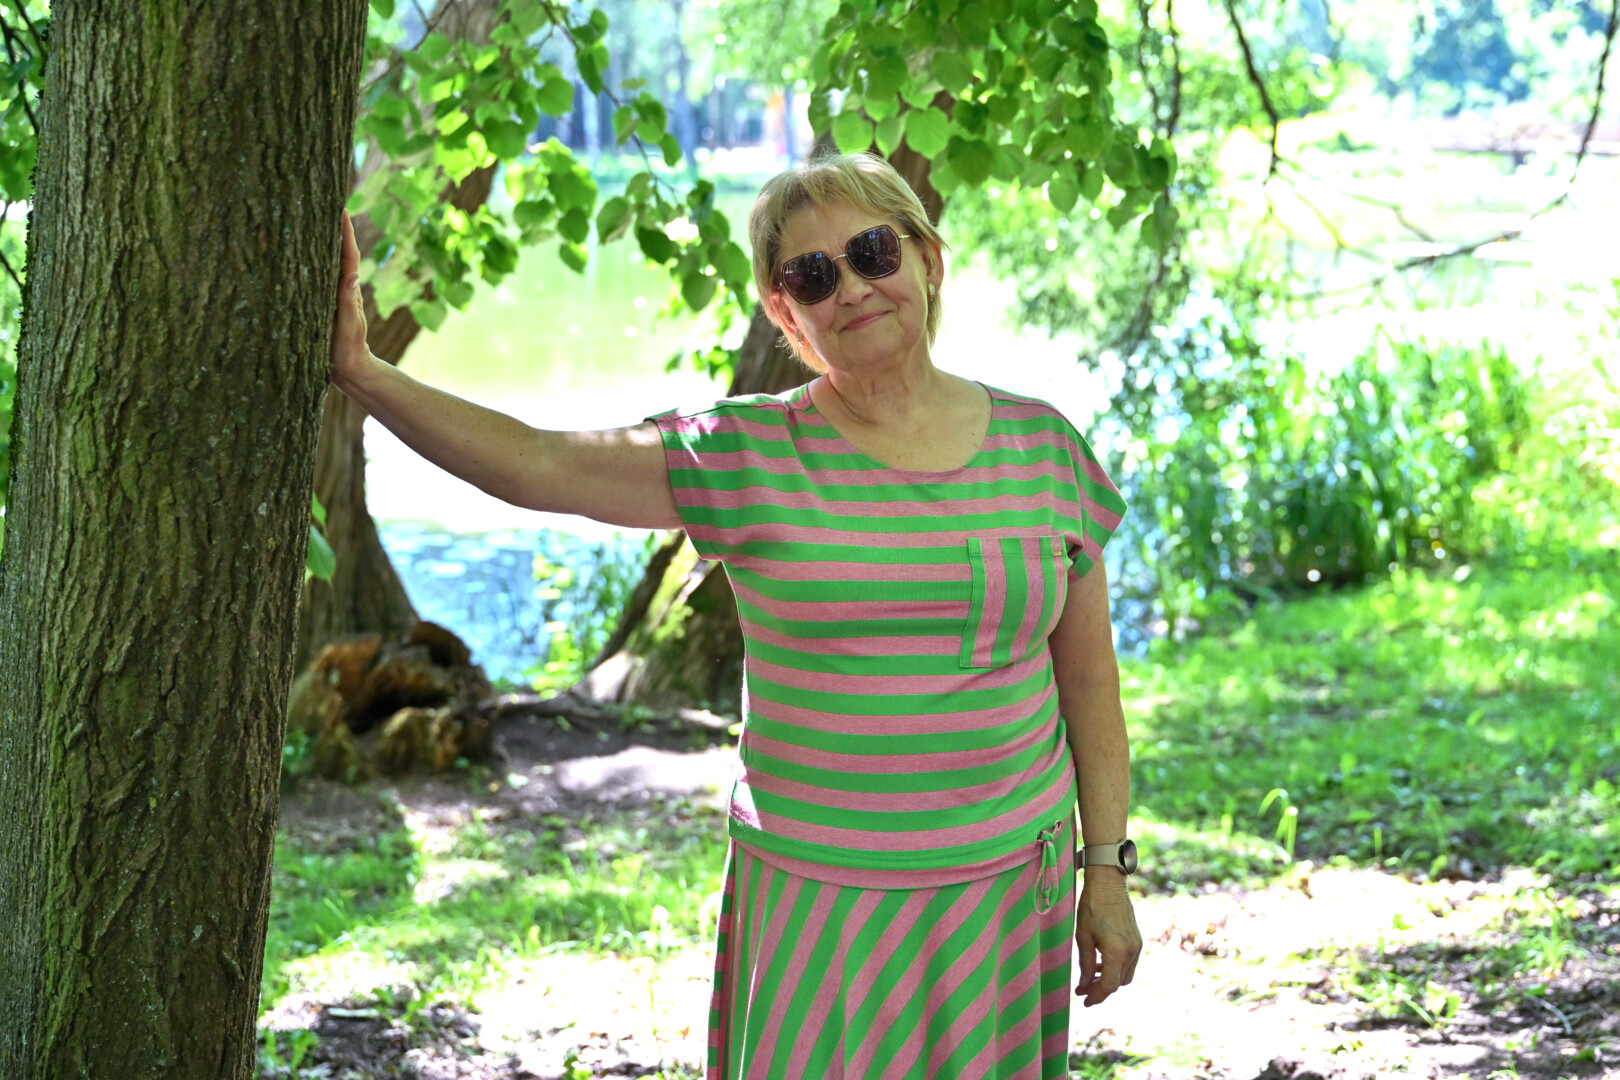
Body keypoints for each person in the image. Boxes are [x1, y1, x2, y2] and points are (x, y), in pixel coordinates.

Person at [328, 151, 1143, 1080]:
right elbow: (536, 462)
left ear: (928, 259)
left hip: (1004, 895)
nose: (852, 287)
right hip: (818, 904)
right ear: (786, 314)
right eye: (813, 274)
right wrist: (361, 371)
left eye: (874, 251)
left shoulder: (1044, 447)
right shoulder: (745, 454)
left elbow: (1090, 686)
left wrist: (1105, 868)